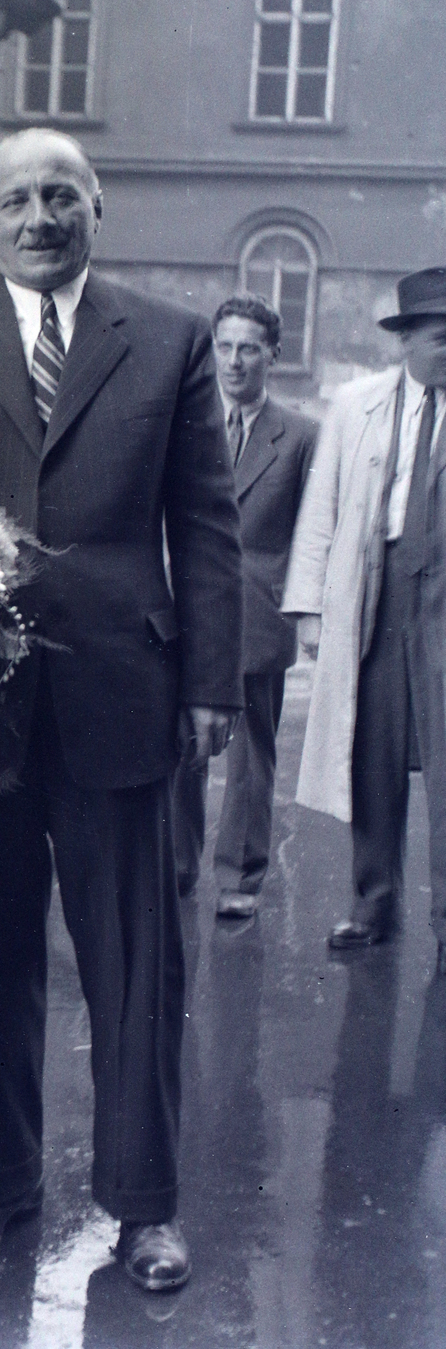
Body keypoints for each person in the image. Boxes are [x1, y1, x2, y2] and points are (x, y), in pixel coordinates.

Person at [0, 129, 242, 1291]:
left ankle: (145, 1206)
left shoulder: (165, 339)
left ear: (95, 208)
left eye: (59, 195)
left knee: (133, 961)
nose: (38, 215)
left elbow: (205, 524)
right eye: (15, 197)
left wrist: (212, 683)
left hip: (124, 691)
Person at [282, 267, 445, 976]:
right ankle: (371, 903)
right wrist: (311, 609)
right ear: (405, 340)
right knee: (372, 759)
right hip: (375, 595)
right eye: (441, 337)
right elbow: (320, 510)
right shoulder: (356, 406)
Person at [172, 295, 319, 919]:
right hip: (185, 606)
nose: (234, 362)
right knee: (181, 741)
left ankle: (240, 876)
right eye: (225, 347)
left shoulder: (302, 436)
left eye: (249, 348)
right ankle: (176, 866)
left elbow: (314, 532)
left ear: (273, 356)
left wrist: (307, 613)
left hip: (259, 614)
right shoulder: (186, 423)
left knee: (252, 751)